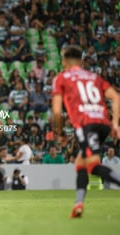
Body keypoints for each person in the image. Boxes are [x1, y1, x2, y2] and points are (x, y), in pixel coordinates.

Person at [52, 45, 120, 218]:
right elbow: (116, 97)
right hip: (103, 123)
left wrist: (60, 133)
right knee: (80, 163)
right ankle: (79, 204)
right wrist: (115, 124)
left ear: (64, 61)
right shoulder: (94, 77)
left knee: (93, 166)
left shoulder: (62, 78)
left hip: (85, 124)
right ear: (81, 61)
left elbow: (57, 112)